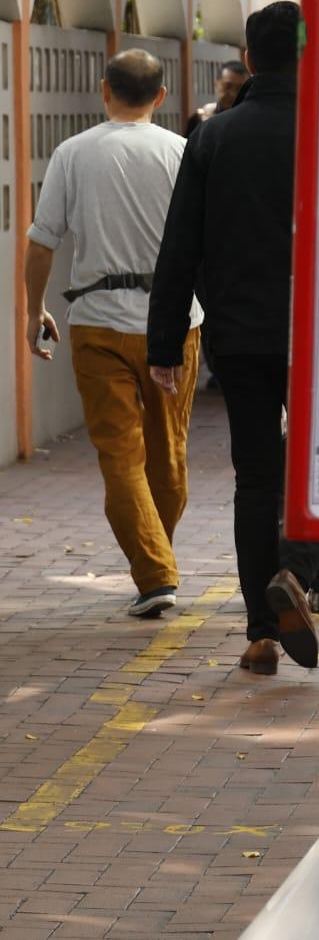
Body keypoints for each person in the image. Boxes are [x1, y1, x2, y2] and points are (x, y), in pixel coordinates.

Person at [146, 2, 319, 677]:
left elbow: (179, 248)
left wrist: (164, 344)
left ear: (249, 58)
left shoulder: (215, 137)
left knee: (255, 476)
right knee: (315, 469)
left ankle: (260, 631)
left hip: (241, 332)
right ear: (309, 54)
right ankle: (296, 575)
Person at [22, 50, 199, 619]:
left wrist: (33, 311)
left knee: (122, 457)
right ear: (162, 97)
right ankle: (157, 569)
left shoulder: (74, 154)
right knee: (167, 456)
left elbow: (42, 241)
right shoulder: (181, 152)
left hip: (97, 323)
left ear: (104, 91)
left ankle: (155, 571)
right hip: (175, 324)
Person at [183, 59, 246, 137]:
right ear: (216, 85)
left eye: (240, 88)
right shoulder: (199, 119)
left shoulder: (252, 120)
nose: (233, 94)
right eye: (228, 86)